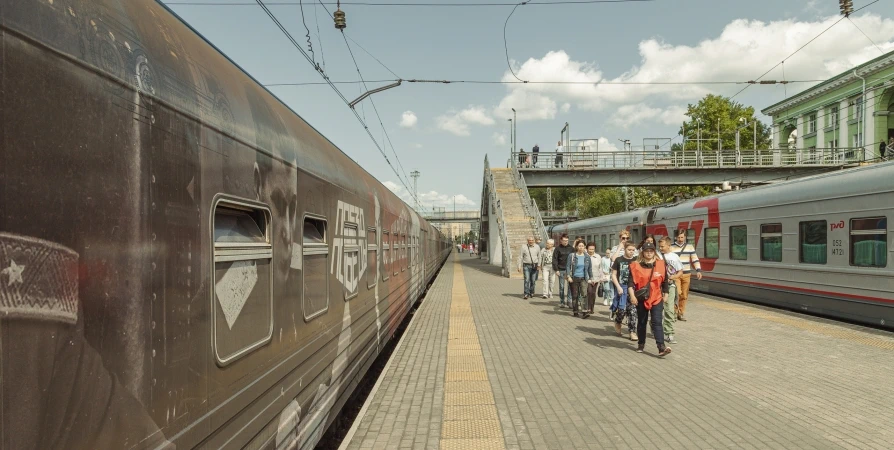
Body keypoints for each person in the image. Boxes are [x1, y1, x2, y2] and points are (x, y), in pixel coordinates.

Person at [628, 242, 672, 356]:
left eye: (651, 251)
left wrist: (666, 293)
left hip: (656, 297)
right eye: (647, 251)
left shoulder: (661, 264)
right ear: (643, 252)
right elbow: (630, 284)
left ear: (654, 252)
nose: (649, 253)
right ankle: (641, 344)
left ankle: (661, 347)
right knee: (642, 322)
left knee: (657, 322)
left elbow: (665, 281)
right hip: (642, 298)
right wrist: (632, 296)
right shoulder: (635, 266)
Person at [672, 229, 702, 321]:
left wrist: (698, 270)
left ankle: (680, 313)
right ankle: (674, 312)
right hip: (676, 274)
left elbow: (694, 259)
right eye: (679, 237)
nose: (681, 239)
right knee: (677, 293)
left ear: (685, 237)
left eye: (682, 237)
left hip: (686, 274)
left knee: (684, 295)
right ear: (676, 237)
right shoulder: (671, 247)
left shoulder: (689, 247)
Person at [659, 237, 683, 344]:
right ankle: (655, 326)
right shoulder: (657, 256)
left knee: (669, 309)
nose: (660, 248)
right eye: (659, 246)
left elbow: (680, 272)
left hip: (670, 286)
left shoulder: (674, 257)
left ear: (668, 245)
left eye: (662, 246)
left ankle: (669, 332)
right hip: (657, 286)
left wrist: (672, 277)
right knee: (657, 310)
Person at [611, 242, 638, 341]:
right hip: (621, 288)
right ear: (625, 249)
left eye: (633, 250)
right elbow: (613, 274)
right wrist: (618, 286)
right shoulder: (619, 260)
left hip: (633, 289)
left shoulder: (636, 260)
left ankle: (632, 331)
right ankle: (618, 321)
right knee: (621, 310)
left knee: (632, 311)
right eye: (629, 250)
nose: (631, 252)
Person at [565, 240, 593, 318]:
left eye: (582, 246)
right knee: (575, 295)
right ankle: (575, 311)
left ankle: (584, 311)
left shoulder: (587, 256)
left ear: (585, 247)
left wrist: (591, 278)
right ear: (577, 247)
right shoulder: (572, 256)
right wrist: (568, 276)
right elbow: (567, 266)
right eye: (579, 246)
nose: (581, 247)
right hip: (574, 278)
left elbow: (589, 268)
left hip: (583, 278)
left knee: (584, 294)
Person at [552, 234, 574, 308]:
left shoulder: (571, 249)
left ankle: (569, 301)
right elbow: (554, 259)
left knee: (570, 287)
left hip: (569, 270)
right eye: (564, 240)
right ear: (561, 240)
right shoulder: (557, 249)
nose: (565, 242)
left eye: (567, 240)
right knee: (561, 286)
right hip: (561, 270)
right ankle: (562, 301)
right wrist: (556, 269)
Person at [586, 243, 604, 315]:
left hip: (596, 278)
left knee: (593, 293)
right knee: (589, 292)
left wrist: (601, 277)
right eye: (590, 249)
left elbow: (600, 268)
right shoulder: (585, 256)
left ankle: (592, 307)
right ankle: (588, 307)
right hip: (587, 278)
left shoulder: (598, 257)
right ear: (587, 249)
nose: (591, 250)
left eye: (593, 249)